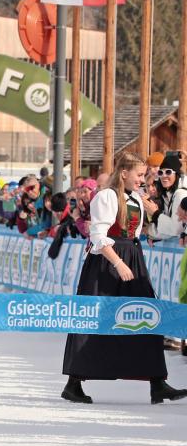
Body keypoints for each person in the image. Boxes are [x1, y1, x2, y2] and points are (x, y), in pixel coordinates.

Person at [61, 153, 187, 405]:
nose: (144, 179)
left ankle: (157, 381)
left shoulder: (135, 198)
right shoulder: (107, 196)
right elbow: (98, 235)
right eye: (139, 175)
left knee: (145, 314)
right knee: (96, 318)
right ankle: (74, 382)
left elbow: (141, 231)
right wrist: (117, 263)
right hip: (107, 262)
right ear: (124, 173)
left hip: (132, 256)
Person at [148, 153, 187, 242]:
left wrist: (154, 213)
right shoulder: (168, 194)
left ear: (176, 174)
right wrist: (154, 237)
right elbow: (170, 228)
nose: (164, 176)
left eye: (168, 172)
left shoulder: (181, 194)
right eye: (161, 172)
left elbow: (175, 229)